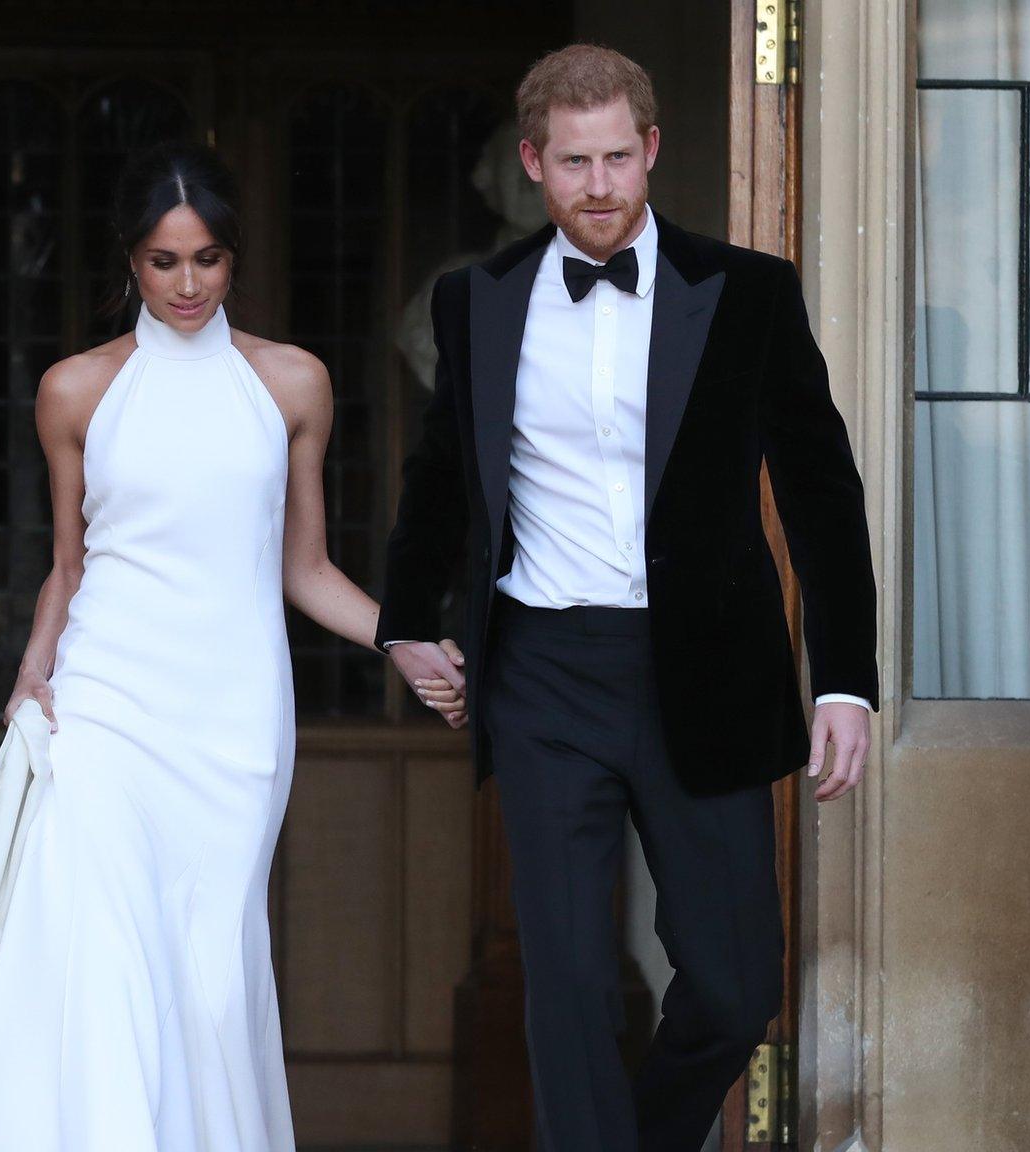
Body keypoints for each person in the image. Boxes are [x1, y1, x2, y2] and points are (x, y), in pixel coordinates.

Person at [376, 45, 878, 1152]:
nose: (597, 185)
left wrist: (843, 679)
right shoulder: (477, 301)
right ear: (531, 164)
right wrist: (405, 625)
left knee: (737, 985)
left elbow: (820, 493)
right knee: (568, 990)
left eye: (616, 157)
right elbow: (440, 479)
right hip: (544, 675)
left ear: (650, 150)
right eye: (572, 163)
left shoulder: (746, 292)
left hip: (704, 670)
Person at [0, 142, 465, 1150]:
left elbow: (302, 568)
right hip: (104, 711)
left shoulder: (291, 384)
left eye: (208, 259)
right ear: (128, 263)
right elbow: (68, 564)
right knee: (100, 960)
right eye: (163, 261)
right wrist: (33, 667)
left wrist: (399, 642)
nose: (187, 284)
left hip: (231, 724)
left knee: (214, 981)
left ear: (234, 260)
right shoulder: (74, 391)